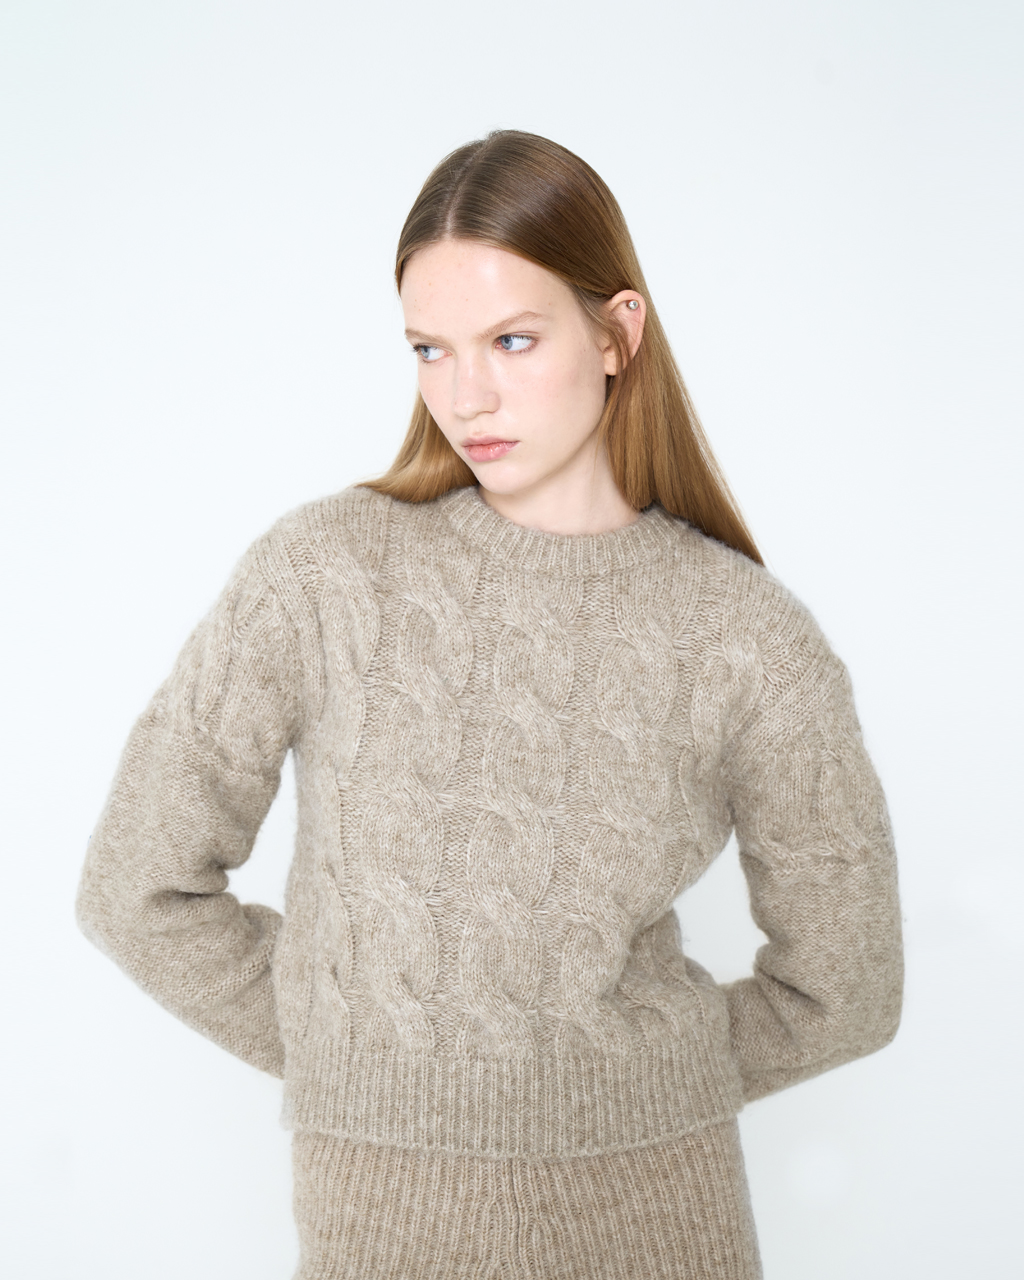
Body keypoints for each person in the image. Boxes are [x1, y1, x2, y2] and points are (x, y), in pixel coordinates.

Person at [76, 129, 903, 1280]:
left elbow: (847, 988)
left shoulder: (749, 637)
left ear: (617, 332)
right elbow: (135, 886)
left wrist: (623, 1075)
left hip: (659, 1221)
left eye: (513, 339)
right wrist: (363, 1049)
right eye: (431, 349)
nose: (467, 395)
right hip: (376, 1230)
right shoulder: (320, 575)